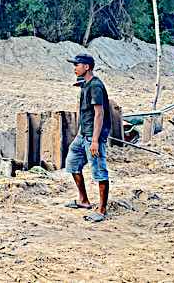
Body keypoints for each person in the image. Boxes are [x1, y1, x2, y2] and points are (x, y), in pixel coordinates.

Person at [62, 53, 111, 222]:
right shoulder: (86, 84)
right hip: (83, 134)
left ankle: (102, 209)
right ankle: (83, 200)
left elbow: (99, 113)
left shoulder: (95, 86)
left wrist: (96, 140)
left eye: (77, 65)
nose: (75, 68)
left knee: (99, 170)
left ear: (87, 67)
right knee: (72, 163)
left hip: (93, 136)